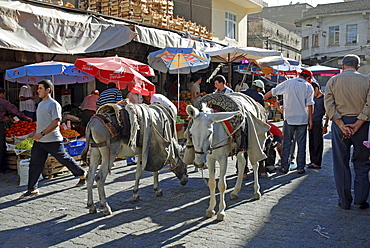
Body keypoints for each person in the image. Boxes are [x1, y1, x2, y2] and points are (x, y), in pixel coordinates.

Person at [19, 80, 87, 199]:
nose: (38, 90)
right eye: (38, 88)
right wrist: (36, 132)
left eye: (40, 88)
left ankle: (81, 173)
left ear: (48, 90)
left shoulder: (53, 104)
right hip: (40, 141)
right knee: (35, 164)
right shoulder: (40, 104)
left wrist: (43, 133)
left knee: (64, 159)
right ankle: (32, 189)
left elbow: (56, 122)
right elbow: (42, 122)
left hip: (53, 140)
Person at [324, 54, 370, 210]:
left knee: (341, 163)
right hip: (362, 126)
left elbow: (329, 105)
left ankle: (344, 201)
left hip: (340, 125)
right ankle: (361, 199)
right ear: (358, 67)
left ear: (342, 66)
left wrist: (341, 124)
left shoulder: (333, 81)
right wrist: (358, 124)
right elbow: (369, 104)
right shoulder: (366, 80)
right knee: (362, 162)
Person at [264, 69, 314, 175]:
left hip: (289, 118)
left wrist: (263, 98)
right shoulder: (308, 86)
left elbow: (273, 91)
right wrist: (310, 120)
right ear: (308, 78)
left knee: (287, 143)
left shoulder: (288, 83)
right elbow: (310, 105)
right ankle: (300, 167)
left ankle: (284, 167)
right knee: (301, 144)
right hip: (302, 119)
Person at [0, 88, 32, 173]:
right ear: (1, 94)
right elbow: (13, 109)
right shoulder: (3, 101)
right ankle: (1, 167)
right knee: (1, 146)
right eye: (4, 94)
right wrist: (24, 116)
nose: (4, 96)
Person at [306, 82, 329, 170]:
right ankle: (313, 161)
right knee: (311, 142)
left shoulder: (324, 98)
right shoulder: (312, 98)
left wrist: (325, 125)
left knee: (318, 142)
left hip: (318, 122)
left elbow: (328, 113)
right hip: (310, 121)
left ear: (316, 89)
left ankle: (317, 162)